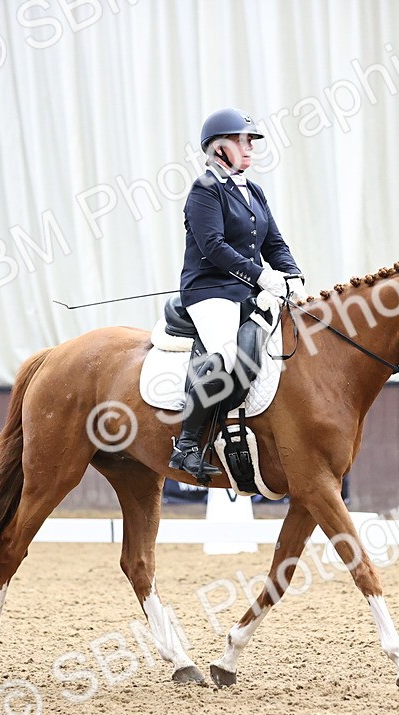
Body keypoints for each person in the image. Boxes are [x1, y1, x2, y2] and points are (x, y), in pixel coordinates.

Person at [169, 107, 304, 479]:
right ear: (217, 148)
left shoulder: (253, 191)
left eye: (251, 141)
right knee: (226, 359)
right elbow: (212, 245)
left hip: (246, 291)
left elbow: (274, 242)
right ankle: (188, 445)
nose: (249, 148)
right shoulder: (204, 191)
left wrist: (292, 273)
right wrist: (262, 276)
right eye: (241, 141)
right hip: (210, 291)